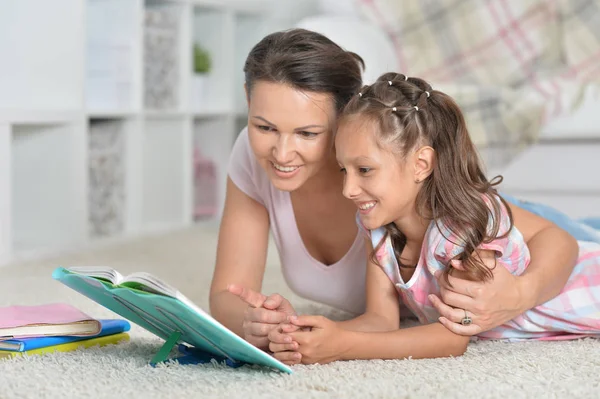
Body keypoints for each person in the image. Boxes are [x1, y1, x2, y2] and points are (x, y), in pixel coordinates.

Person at [208, 28, 585, 351]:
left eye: (308, 133)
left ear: (346, 120)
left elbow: (558, 240)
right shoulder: (257, 159)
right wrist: (257, 324)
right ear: (248, 103)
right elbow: (229, 294)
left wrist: (519, 295)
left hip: (509, 227)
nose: (282, 152)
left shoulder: (435, 204)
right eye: (264, 127)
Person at [267, 72, 600, 365]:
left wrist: (344, 346)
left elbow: (451, 337)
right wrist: (305, 333)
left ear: (421, 164)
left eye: (364, 169)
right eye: (344, 170)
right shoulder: (380, 232)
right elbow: (381, 320)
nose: (348, 189)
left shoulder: (457, 228)